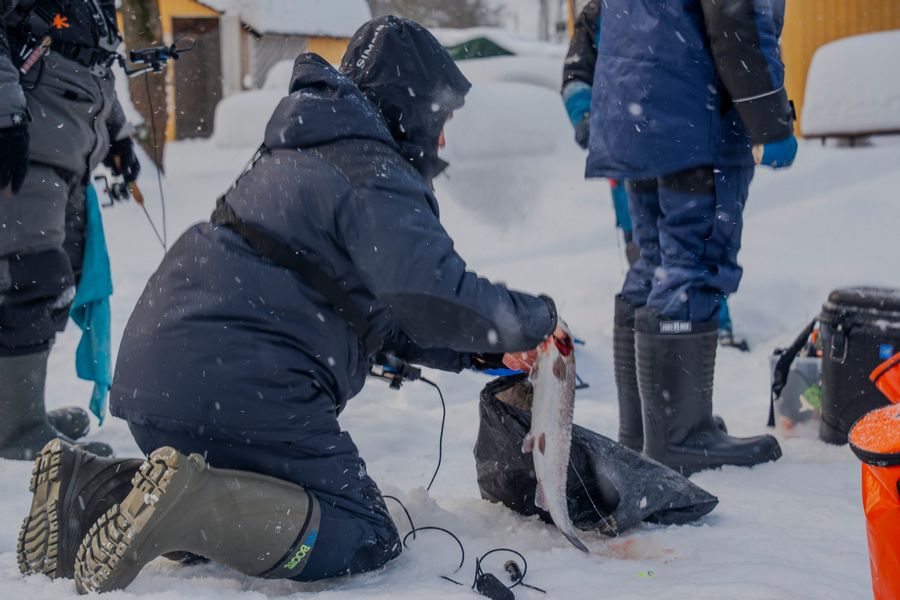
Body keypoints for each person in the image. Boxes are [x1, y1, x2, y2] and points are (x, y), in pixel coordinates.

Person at [16, 17, 565, 592]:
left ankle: (92, 491)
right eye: (441, 116)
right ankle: (190, 507)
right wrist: (538, 320)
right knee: (361, 533)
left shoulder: (302, 152)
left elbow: (389, 314)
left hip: (161, 385)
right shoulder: (372, 169)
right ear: (410, 102)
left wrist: (485, 353)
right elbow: (433, 294)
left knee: (242, 492)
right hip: (246, 390)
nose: (442, 139)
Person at [574, 0, 797, 474]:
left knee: (653, 262)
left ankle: (645, 430)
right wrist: (770, 119)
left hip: (637, 111)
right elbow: (737, 17)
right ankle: (682, 438)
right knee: (694, 262)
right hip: (694, 116)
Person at [561, 0, 748, 351]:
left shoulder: (617, 9)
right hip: (648, 144)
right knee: (672, 251)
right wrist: (586, 117)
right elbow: (576, 74)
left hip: (652, 136)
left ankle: (699, 329)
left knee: (672, 254)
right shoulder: (600, 13)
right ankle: (675, 336)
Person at [0, 0, 139, 460]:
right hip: (27, 141)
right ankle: (15, 429)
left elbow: (94, 58)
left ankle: (19, 412)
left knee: (59, 280)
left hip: (68, 147)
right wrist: (5, 115)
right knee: (27, 277)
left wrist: (116, 131)